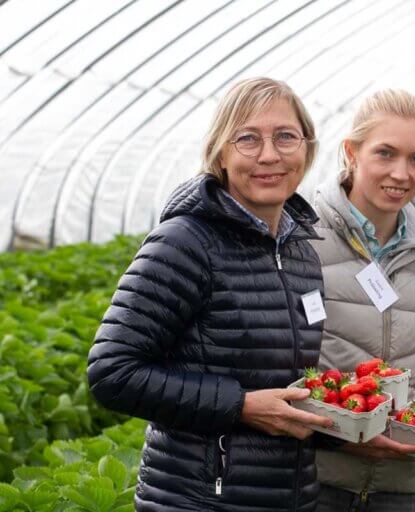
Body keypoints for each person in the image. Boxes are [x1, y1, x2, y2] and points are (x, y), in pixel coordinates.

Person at [87, 77, 336, 511]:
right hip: (201, 499)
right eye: (247, 138)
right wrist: (240, 406)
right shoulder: (184, 243)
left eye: (285, 137)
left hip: (288, 497)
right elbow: (113, 372)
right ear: (220, 153)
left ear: (308, 148)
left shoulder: (302, 253)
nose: (269, 155)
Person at [309, 89, 415, 512]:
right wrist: (340, 431)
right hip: (315, 481)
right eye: (385, 153)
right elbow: (279, 366)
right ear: (351, 152)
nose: (402, 173)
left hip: (398, 487)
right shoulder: (304, 237)